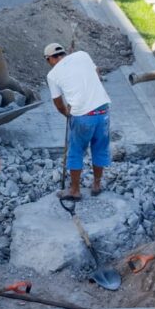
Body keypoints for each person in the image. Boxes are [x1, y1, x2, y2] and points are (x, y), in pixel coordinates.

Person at [44, 43, 111, 200]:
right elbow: (96, 72)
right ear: (64, 53)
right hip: (103, 110)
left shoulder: (52, 75)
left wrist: (66, 113)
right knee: (100, 147)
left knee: (76, 151)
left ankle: (75, 190)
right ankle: (96, 184)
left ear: (50, 59)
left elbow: (58, 102)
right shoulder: (82, 55)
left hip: (82, 115)